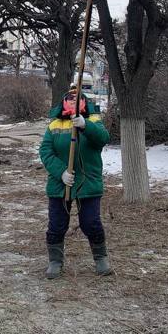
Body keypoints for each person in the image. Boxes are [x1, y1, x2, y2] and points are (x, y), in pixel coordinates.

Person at [39, 88, 112, 279]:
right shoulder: (55, 124)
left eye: (76, 99)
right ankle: (55, 261)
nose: (72, 102)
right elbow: (46, 152)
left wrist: (85, 125)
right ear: (63, 102)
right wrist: (61, 172)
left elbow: (103, 139)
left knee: (91, 223)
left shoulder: (94, 120)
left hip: (88, 182)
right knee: (57, 224)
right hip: (60, 183)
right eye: (69, 99)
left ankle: (101, 258)